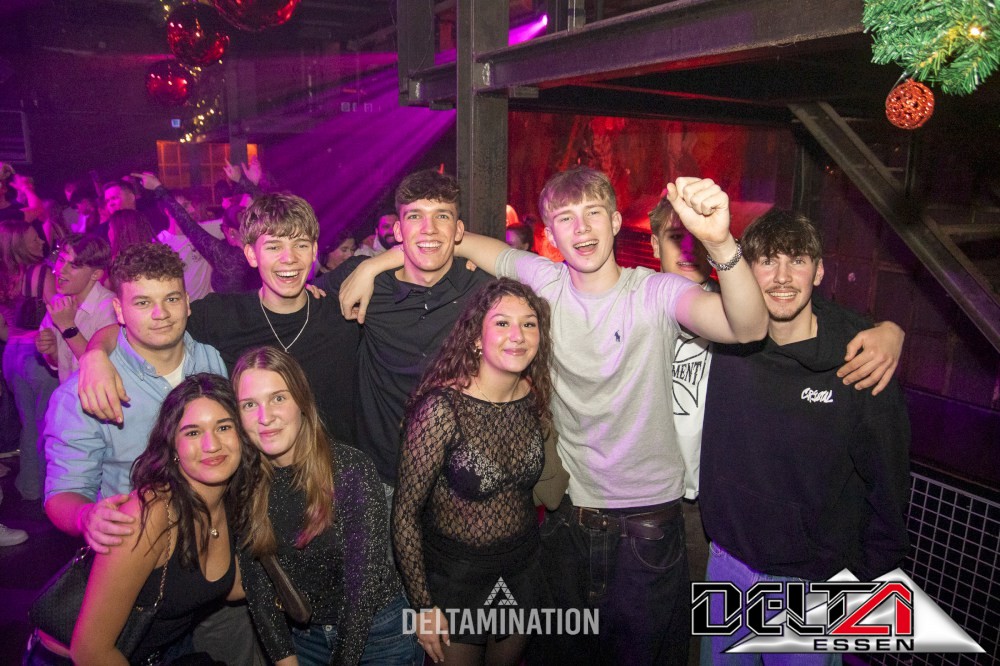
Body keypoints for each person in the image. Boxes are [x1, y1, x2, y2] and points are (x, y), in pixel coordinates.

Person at [697, 210, 911, 665]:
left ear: (819, 271)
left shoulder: (860, 360)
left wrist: (860, 584)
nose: (781, 277)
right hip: (726, 567)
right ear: (745, 271)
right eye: (767, 261)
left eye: (796, 260)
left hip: (813, 585)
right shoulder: (722, 335)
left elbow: (889, 483)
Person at [43, 243, 262, 665]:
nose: (161, 313)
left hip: (211, 561)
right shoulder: (84, 395)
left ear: (187, 303)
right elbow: (61, 494)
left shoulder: (211, 360)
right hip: (138, 583)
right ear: (119, 311)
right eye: (143, 302)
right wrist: (86, 517)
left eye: (171, 299)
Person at [78, 191, 358, 446]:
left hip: (335, 473)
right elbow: (145, 327)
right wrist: (94, 355)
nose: (289, 258)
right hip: (253, 477)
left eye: (300, 245)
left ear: (314, 251)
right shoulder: (222, 314)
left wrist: (374, 266)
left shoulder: (342, 314)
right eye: (274, 247)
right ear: (251, 254)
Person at [25, 373, 262, 665]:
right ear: (173, 448)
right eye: (192, 433)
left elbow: (231, 584)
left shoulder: (226, 503)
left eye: (223, 427)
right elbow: (90, 651)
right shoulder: (149, 514)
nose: (211, 445)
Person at [393, 278, 553, 665]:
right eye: (502, 323)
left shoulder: (532, 396)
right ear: (477, 338)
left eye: (529, 324)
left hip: (521, 571)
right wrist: (423, 606)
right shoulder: (441, 409)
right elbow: (405, 514)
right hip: (456, 580)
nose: (517, 335)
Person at [233, 347, 419, 666]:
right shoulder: (246, 485)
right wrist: (284, 658)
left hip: (379, 636)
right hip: (306, 639)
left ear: (302, 402)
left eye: (278, 398)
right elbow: (258, 586)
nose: (265, 417)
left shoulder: (349, 469)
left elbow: (363, 588)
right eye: (250, 404)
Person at [321, 170, 491, 502]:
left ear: (459, 231)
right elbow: (296, 301)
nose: (429, 228)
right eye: (415, 216)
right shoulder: (366, 283)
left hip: (456, 479)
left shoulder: (482, 288)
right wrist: (367, 267)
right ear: (398, 230)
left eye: (442, 216)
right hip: (382, 478)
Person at [0, 220, 57, 504]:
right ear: (19, 244)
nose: (42, 243)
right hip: (38, 353)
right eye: (35, 239)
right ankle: (51, 491)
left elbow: (2, 327)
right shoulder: (41, 273)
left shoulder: (4, 277)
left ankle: (29, 486)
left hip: (12, 353)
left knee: (29, 424)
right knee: (48, 423)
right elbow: (57, 314)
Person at [36, 233, 117, 383]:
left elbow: (101, 367)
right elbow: (61, 364)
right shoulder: (58, 301)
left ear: (95, 274)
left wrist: (68, 327)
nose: (61, 269)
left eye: (73, 266)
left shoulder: (109, 308)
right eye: (61, 260)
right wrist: (51, 351)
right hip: (69, 394)